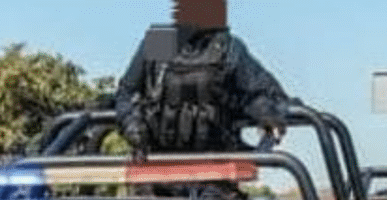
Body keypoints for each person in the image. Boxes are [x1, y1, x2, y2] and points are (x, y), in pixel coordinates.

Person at [114, 0, 290, 162]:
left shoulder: (228, 48)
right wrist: (131, 122)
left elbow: (267, 95)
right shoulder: (160, 42)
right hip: (157, 166)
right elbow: (125, 93)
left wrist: (266, 113)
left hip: (215, 172)